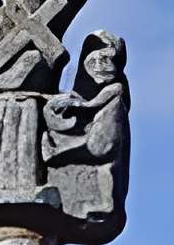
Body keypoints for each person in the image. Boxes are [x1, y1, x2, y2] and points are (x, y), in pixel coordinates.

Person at [42, 32, 129, 227]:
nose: (102, 66)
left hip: (101, 145)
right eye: (97, 59)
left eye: (108, 60)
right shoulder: (81, 95)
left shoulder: (115, 92)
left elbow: (101, 141)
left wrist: (78, 106)